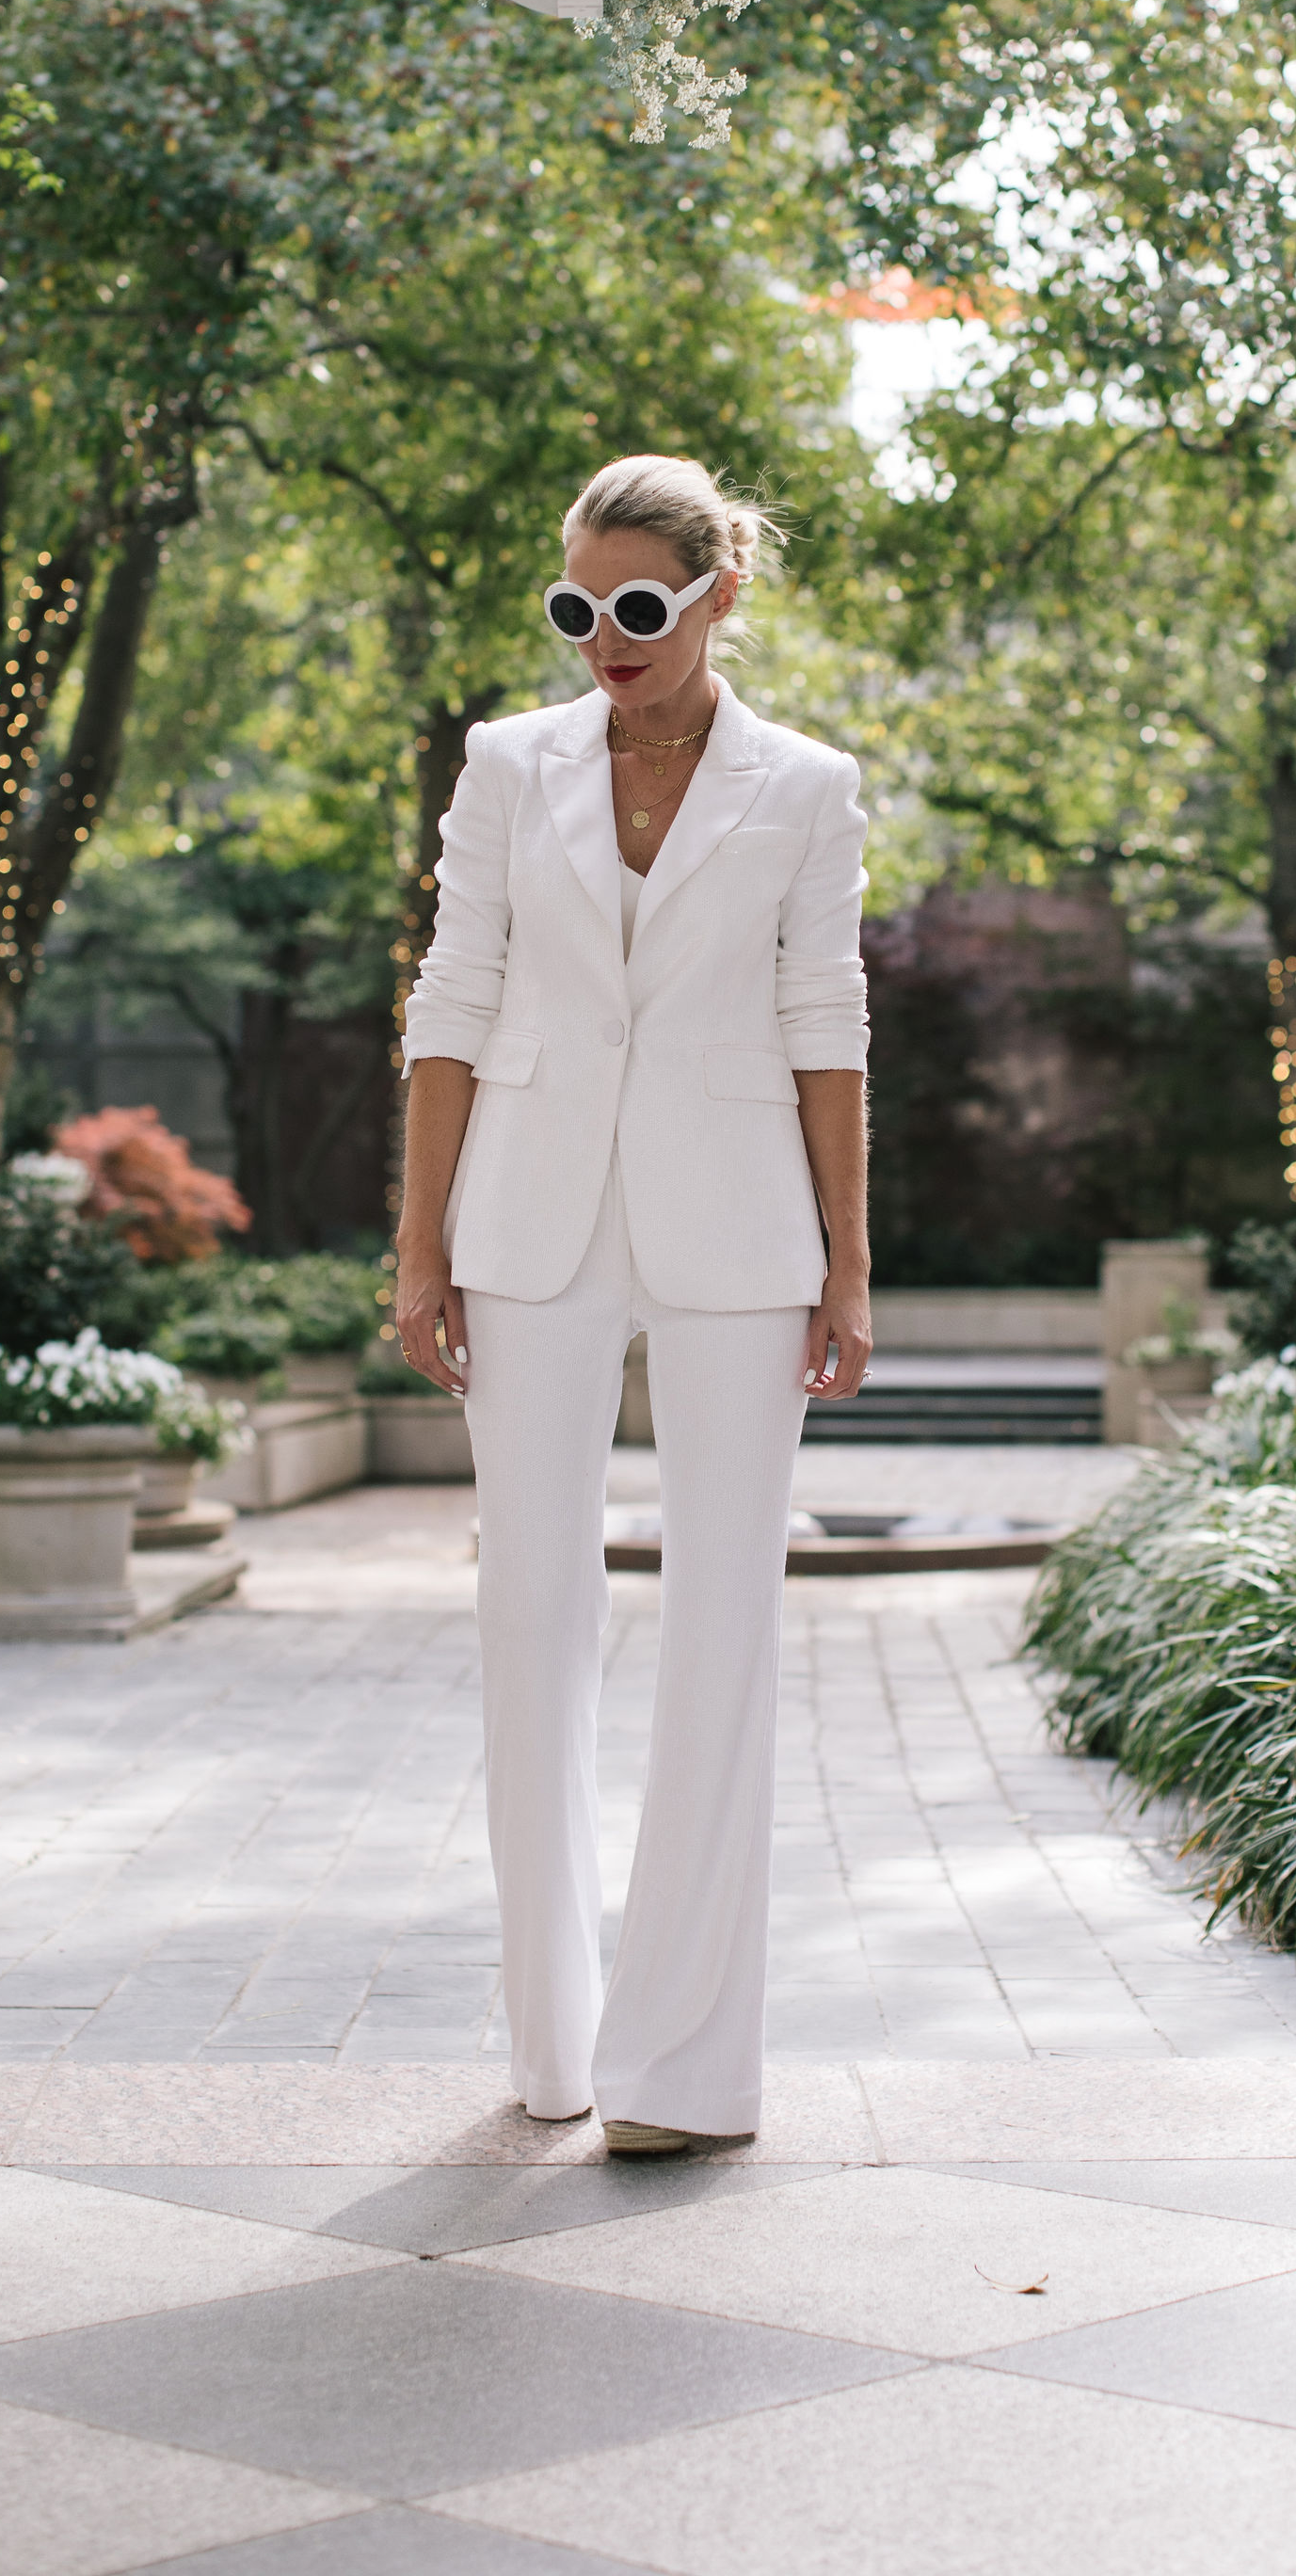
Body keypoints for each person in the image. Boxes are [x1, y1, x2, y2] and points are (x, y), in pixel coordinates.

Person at [393, 453, 872, 2154]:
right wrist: (418, 1243)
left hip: (740, 1230)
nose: (607, 635)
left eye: (641, 606)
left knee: (723, 1626)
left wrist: (848, 1263)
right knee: (533, 1616)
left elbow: (828, 1021)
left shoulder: (806, 787)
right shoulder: (507, 766)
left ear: (718, 594)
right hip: (524, 1217)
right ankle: (555, 2041)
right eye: (578, 605)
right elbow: (454, 995)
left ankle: (687, 2071)